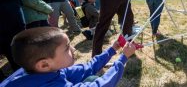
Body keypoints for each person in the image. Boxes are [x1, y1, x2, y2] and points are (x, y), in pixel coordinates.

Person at [0, 27, 136, 87]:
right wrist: (123, 57)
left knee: (91, 76)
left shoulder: (44, 70)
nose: (73, 48)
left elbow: (87, 68)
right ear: (44, 64)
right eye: (67, 48)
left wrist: (112, 49)